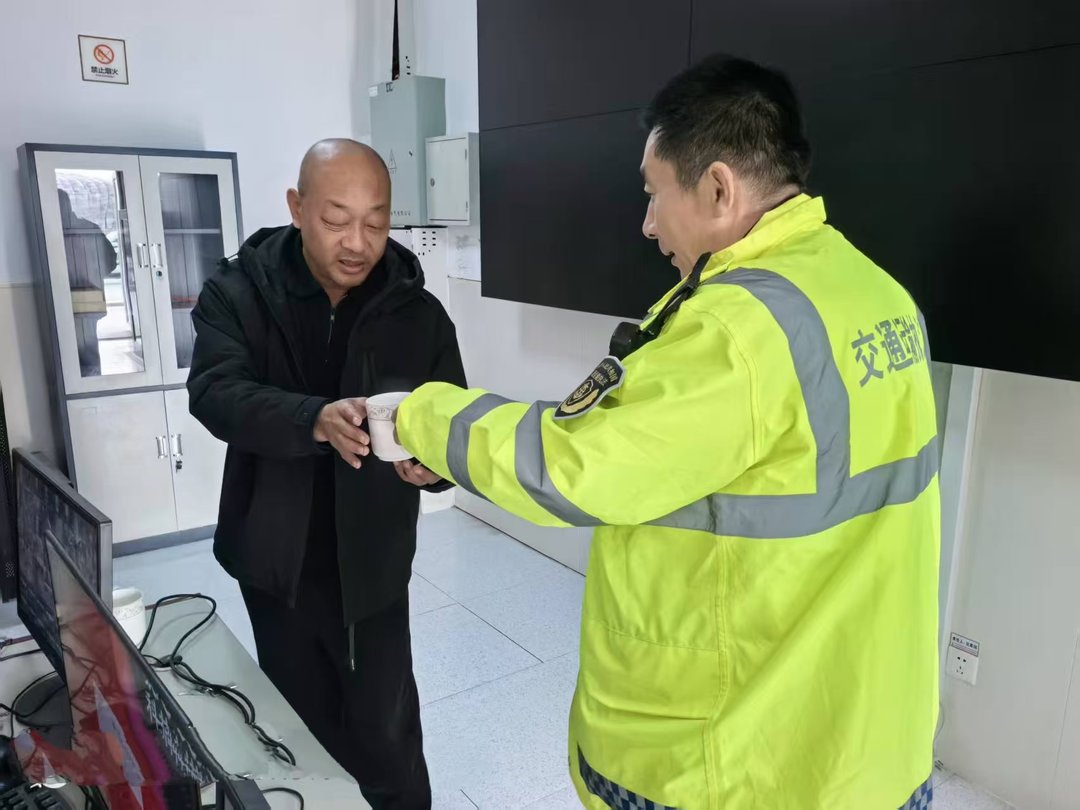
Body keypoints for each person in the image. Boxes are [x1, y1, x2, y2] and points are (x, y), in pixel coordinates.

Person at [393, 57, 939, 808]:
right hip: (871, 744)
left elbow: (574, 467)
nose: (648, 224)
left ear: (718, 187)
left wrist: (418, 416)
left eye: (654, 194)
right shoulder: (878, 294)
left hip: (743, 761)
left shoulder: (738, 329)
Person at [187, 139, 464, 809]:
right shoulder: (239, 292)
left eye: (376, 221)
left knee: (386, 732)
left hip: (372, 564)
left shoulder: (418, 313)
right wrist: (311, 417)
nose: (357, 242)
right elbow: (215, 392)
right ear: (297, 207)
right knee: (296, 729)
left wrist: (434, 468)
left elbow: (452, 419)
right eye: (337, 219)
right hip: (273, 556)